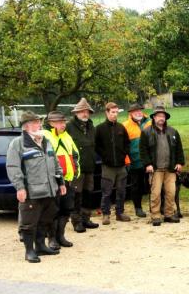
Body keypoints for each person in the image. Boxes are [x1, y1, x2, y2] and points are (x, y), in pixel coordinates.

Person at [6, 111, 65, 263]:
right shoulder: (17, 144)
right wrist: (20, 187)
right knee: (28, 223)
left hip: (50, 190)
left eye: (39, 122)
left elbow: (55, 163)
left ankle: (40, 246)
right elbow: (13, 167)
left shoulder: (46, 141)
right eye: (36, 122)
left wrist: (61, 182)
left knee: (45, 220)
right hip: (32, 192)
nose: (39, 125)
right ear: (27, 126)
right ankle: (29, 251)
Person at [139, 105, 185, 226]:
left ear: (165, 118)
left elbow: (179, 149)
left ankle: (169, 214)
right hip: (155, 169)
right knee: (156, 193)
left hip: (170, 168)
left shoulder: (173, 131)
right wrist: (147, 164)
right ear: (154, 117)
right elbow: (143, 150)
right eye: (158, 116)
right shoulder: (146, 132)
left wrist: (180, 162)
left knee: (171, 192)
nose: (161, 118)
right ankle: (155, 216)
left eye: (163, 116)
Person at [43, 110, 81, 250]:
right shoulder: (44, 136)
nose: (63, 124)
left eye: (63, 121)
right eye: (59, 122)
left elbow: (75, 154)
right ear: (51, 123)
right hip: (53, 182)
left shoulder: (67, 136)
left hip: (68, 180)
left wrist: (75, 171)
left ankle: (61, 236)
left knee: (66, 209)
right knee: (53, 211)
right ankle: (52, 239)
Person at [94, 102, 131, 224]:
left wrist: (124, 154)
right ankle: (106, 214)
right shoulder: (99, 129)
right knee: (106, 192)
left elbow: (127, 142)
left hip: (121, 166)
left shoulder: (121, 127)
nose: (115, 115)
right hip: (107, 166)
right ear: (107, 112)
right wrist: (104, 156)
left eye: (116, 112)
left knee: (121, 191)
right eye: (112, 112)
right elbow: (96, 145)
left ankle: (120, 213)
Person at [66, 98, 98, 232]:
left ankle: (86, 218)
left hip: (89, 165)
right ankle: (76, 221)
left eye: (86, 111)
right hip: (76, 168)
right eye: (81, 111)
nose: (84, 114)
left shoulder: (91, 126)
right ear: (76, 113)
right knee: (76, 195)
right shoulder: (69, 126)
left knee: (88, 193)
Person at [122, 103, 151, 218]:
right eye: (135, 111)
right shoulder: (125, 126)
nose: (138, 113)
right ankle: (138, 208)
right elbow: (123, 146)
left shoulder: (149, 122)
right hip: (134, 162)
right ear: (130, 113)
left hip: (149, 161)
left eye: (140, 111)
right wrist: (127, 160)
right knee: (136, 186)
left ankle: (154, 206)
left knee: (151, 185)